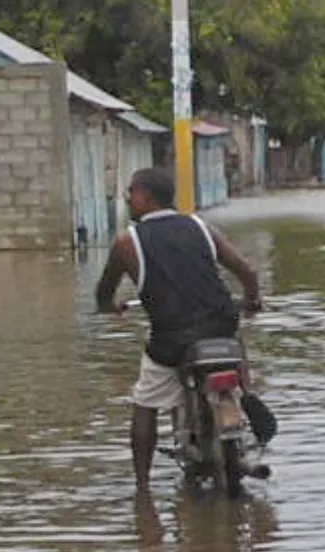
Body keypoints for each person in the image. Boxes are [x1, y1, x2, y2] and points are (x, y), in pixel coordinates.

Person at [95, 167, 264, 491]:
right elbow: (247, 271)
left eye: (131, 192)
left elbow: (104, 293)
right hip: (221, 329)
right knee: (236, 349)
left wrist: (109, 307)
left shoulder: (126, 243)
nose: (128, 198)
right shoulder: (201, 227)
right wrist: (252, 299)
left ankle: (142, 489)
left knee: (145, 402)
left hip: (171, 341)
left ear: (144, 196)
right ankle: (246, 399)